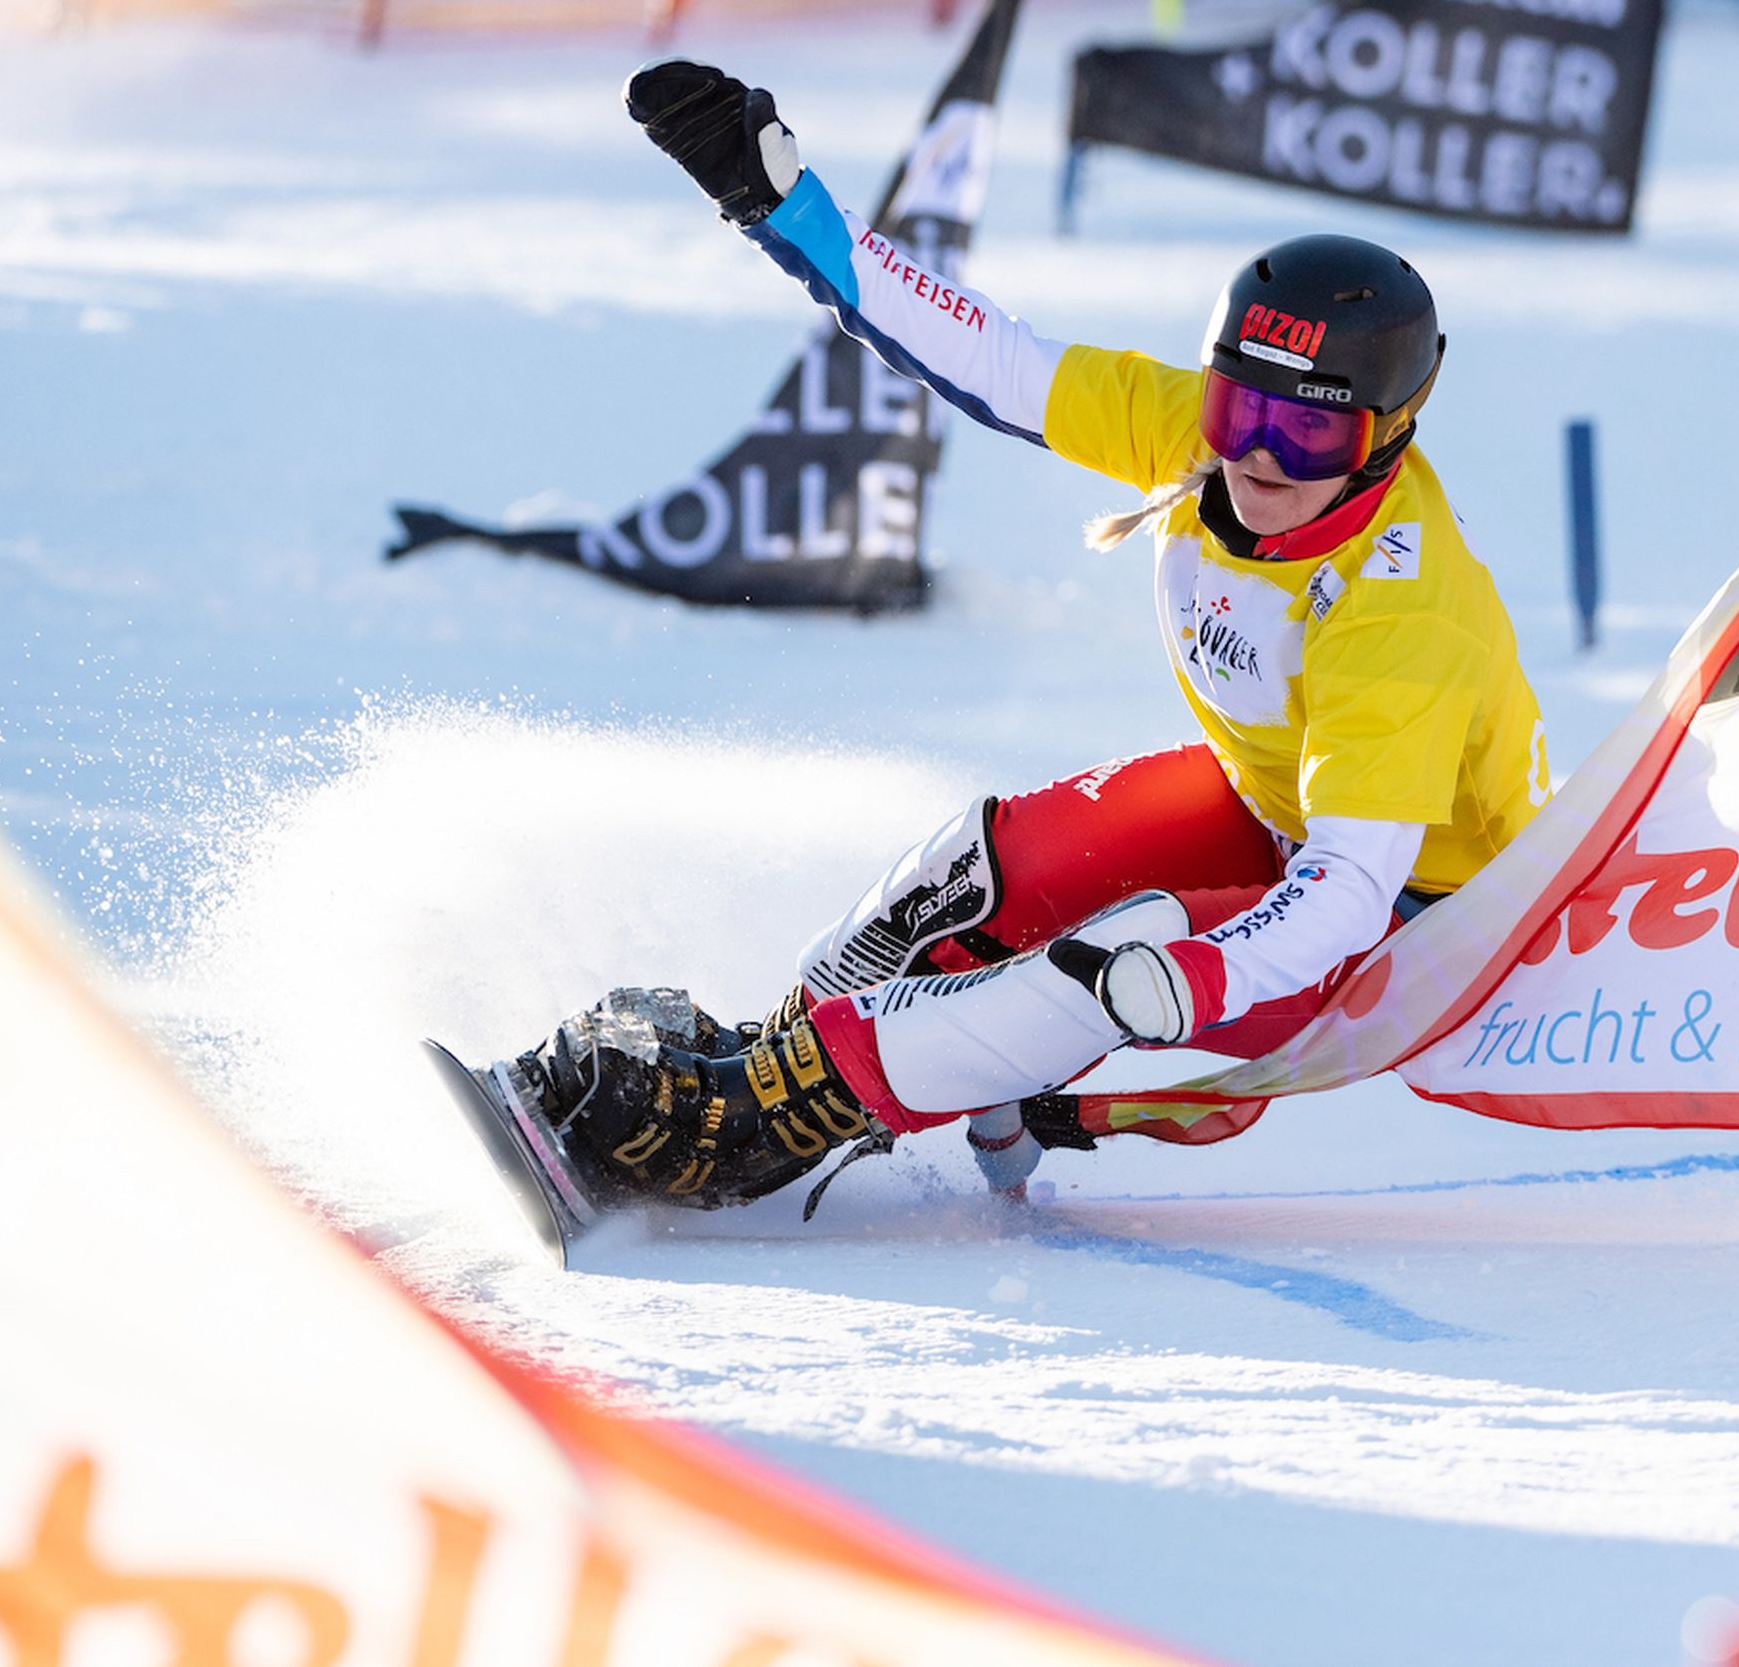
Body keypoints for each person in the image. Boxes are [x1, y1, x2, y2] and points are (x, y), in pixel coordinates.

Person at [493, 61, 1551, 1220]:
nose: (1256, 460)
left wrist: (1192, 971)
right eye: (1236, 408)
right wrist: (784, 208)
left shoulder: (1400, 614)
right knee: (980, 867)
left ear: (1389, 434)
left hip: (1414, 928)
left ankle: (746, 1135)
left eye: (1306, 433)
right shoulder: (1199, 447)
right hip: (1274, 810)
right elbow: (993, 358)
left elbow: (1348, 887)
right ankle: (774, 1068)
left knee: (1114, 956)